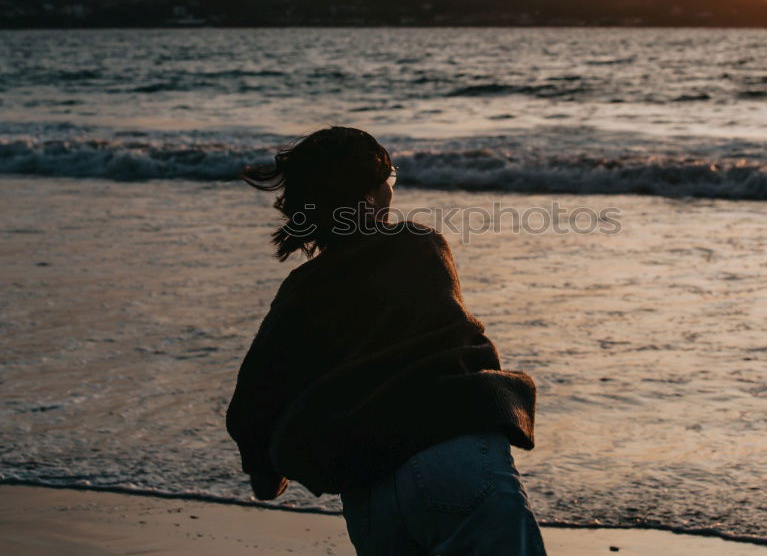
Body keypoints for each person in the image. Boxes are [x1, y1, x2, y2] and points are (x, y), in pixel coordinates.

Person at [226, 126, 547, 555]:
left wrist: (265, 473)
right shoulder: (420, 245)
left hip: (368, 491)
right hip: (454, 457)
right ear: (370, 196)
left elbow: (254, 397)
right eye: (390, 179)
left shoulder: (302, 289)